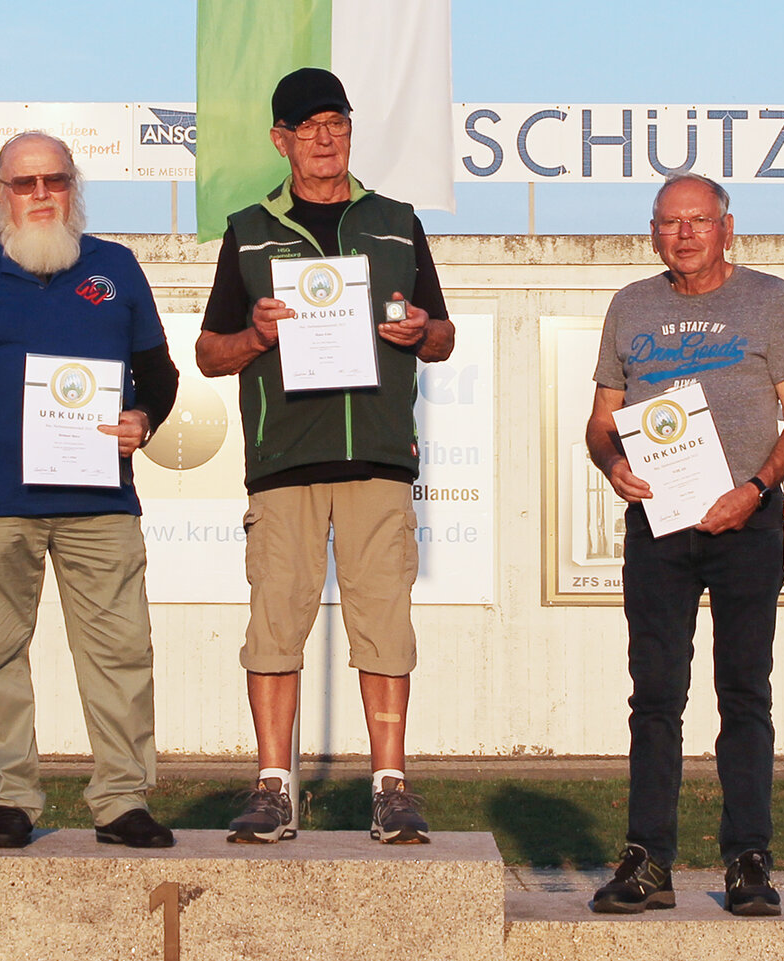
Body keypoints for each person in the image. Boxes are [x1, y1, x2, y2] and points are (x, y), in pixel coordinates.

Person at [197, 67, 453, 845]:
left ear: (349, 130)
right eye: (307, 128)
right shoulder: (248, 231)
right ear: (281, 141)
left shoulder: (396, 222)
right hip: (285, 458)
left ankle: (390, 786)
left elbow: (442, 335)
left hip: (377, 455)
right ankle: (274, 787)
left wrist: (420, 330)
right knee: (275, 625)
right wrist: (256, 336)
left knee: (386, 624)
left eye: (335, 123)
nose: (324, 139)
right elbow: (209, 352)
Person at [0, 131, 180, 849]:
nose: (40, 195)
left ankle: (121, 799)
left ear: (73, 188)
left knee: (122, 654)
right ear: (0, 194)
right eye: (24, 183)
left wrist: (143, 419)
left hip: (100, 506)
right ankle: (11, 798)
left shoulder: (115, 268)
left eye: (54, 181)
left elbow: (159, 376)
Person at [585, 173, 784, 914]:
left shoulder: (770, 299)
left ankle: (748, 860)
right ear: (653, 232)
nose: (683, 234)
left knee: (744, 693)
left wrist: (755, 489)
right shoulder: (631, 305)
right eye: (669, 222)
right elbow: (601, 420)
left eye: (698, 221)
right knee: (655, 696)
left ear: (727, 228)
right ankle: (648, 860)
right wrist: (612, 463)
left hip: (747, 523)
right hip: (659, 528)